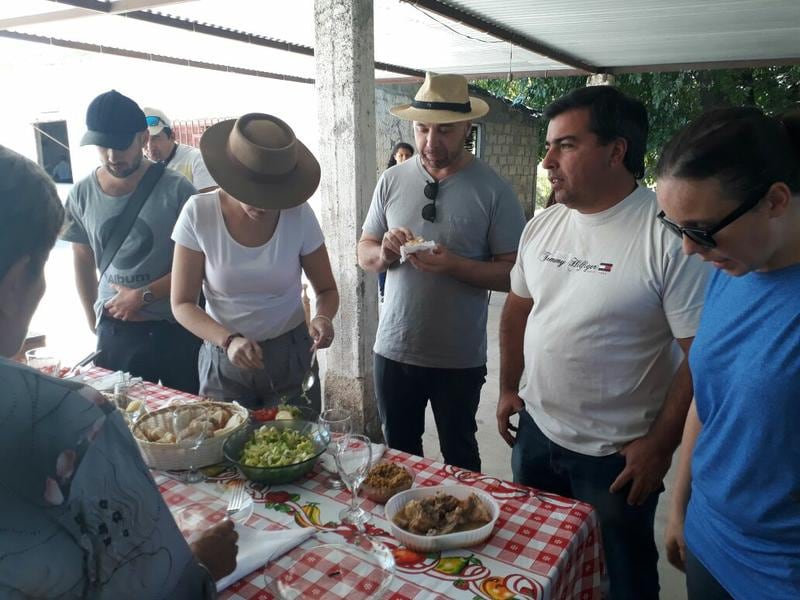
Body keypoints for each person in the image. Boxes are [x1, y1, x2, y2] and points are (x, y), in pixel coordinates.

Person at [496, 86, 709, 599]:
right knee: (538, 565)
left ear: (616, 151)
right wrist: (507, 387)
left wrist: (661, 445)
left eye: (565, 145)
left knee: (624, 578)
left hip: (615, 457)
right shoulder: (543, 225)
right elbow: (517, 308)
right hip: (537, 435)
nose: (547, 160)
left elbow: (701, 355)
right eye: (549, 146)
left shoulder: (667, 236)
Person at [0, 144, 237, 598]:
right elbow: (154, 580)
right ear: (17, 279)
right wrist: (201, 564)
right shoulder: (70, 420)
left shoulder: (176, 190)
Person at [657, 107, 800, 600]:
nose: (688, 252)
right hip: (710, 538)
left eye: (700, 230)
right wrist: (680, 505)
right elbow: (709, 397)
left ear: (775, 200)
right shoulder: (730, 270)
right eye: (674, 228)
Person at [358, 72, 526, 472]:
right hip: (395, 348)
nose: (431, 143)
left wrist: (453, 264)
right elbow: (363, 251)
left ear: (468, 127)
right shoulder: (391, 180)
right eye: (422, 129)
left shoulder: (493, 190)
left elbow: (513, 276)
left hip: (459, 357)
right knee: (398, 455)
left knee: (460, 456)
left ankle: (461, 532)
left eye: (445, 131)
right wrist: (385, 253)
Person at [171, 113, 338, 411]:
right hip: (224, 359)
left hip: (290, 358)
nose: (262, 205)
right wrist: (228, 340)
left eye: (273, 195)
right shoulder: (199, 214)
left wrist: (323, 317)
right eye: (251, 192)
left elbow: (326, 289)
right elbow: (182, 304)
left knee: (296, 448)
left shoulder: (298, 214)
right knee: (224, 450)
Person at [62, 90, 202, 393]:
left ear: (142, 137)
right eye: (104, 146)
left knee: (193, 422)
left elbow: (198, 264)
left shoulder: (177, 190)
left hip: (176, 327)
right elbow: (82, 259)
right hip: (117, 331)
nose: (113, 156)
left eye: (122, 145)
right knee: (122, 424)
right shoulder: (82, 194)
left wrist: (143, 295)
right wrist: (93, 318)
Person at [143, 107, 217, 192]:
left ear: (172, 136)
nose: (149, 146)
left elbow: (208, 201)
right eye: (144, 139)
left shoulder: (196, 159)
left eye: (155, 138)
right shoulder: (140, 167)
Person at [380, 142, 416, 300]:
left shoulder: (416, 177)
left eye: (408, 155)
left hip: (406, 223)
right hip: (388, 224)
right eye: (401, 155)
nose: (404, 158)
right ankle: (383, 291)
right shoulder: (388, 178)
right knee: (385, 255)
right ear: (395, 157)